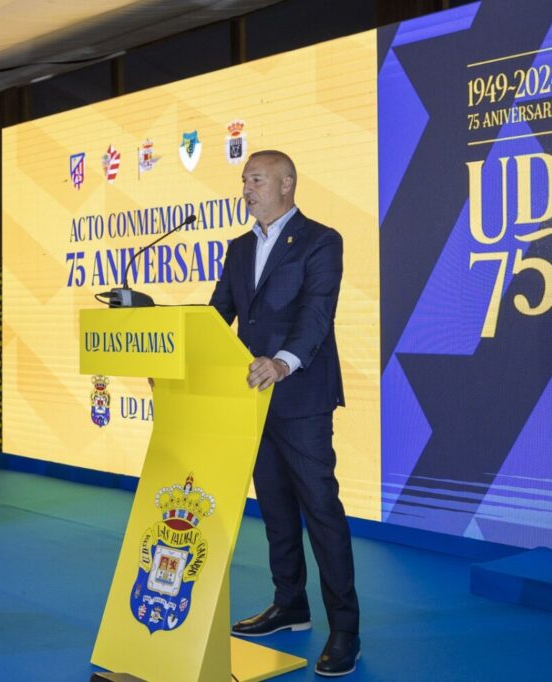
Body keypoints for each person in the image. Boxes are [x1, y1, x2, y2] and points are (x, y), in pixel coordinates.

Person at [210, 150, 359, 676]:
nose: (246, 188)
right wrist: (180, 357)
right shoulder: (237, 248)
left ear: (287, 183)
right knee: (274, 508)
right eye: (244, 180)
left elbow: (318, 312)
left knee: (321, 509)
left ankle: (345, 629)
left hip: (300, 397)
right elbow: (216, 317)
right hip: (253, 399)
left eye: (255, 179)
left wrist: (283, 361)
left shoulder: (321, 240)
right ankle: (289, 604)